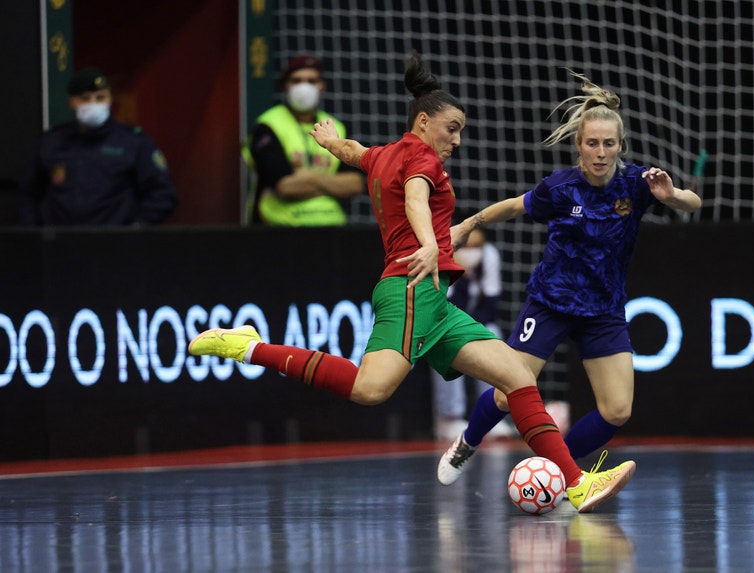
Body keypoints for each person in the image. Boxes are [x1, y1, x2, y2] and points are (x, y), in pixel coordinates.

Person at [189, 54, 635, 514]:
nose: (457, 140)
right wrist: (428, 245)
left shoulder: (388, 154)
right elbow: (418, 198)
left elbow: (357, 154)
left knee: (517, 377)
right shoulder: (421, 158)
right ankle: (247, 346)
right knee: (370, 389)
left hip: (434, 300)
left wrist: (331, 143)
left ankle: (575, 481)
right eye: (452, 128)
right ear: (424, 122)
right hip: (410, 285)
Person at [437, 70, 702, 485]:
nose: (600, 152)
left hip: (603, 310)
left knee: (617, 410)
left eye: (608, 144)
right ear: (579, 145)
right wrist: (469, 223)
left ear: (620, 146)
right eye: (592, 143)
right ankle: (467, 441)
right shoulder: (560, 188)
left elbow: (692, 201)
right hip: (550, 303)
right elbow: (512, 207)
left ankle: (559, 471)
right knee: (510, 393)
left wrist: (673, 196)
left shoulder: (636, 184)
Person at [19, 67, 177, 226]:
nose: (93, 104)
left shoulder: (133, 142)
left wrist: (136, 230)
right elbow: (29, 193)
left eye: (100, 98)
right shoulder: (52, 142)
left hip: (115, 243)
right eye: (85, 98)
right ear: (72, 102)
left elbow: (162, 194)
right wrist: (34, 235)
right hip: (60, 243)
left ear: (110, 100)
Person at [242, 54, 364, 226]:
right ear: (285, 86)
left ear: (322, 86)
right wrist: (331, 185)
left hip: (331, 227)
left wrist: (309, 177)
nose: (304, 87)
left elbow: (355, 184)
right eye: (296, 80)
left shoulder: (336, 126)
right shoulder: (268, 125)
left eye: (311, 81)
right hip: (277, 228)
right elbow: (285, 187)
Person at [428, 221, 514, 441]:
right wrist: (461, 274)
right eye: (467, 247)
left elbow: (491, 303)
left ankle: (493, 415)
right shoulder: (441, 257)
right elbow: (443, 307)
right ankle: (448, 418)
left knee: (493, 335)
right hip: (441, 323)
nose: (472, 252)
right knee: (445, 342)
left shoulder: (489, 255)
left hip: (474, 321)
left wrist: (472, 331)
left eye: (477, 246)